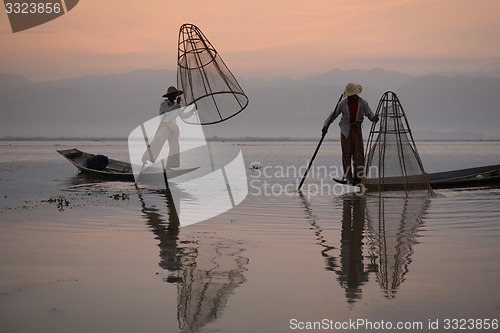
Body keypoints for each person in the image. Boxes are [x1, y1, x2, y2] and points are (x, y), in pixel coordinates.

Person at [322, 83, 379, 185]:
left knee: (359, 154)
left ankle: (358, 177)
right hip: (346, 130)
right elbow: (334, 114)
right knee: (347, 153)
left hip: (356, 130)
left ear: (356, 94)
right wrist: (326, 125)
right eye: (350, 96)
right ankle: (348, 177)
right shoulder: (342, 104)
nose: (352, 97)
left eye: (353, 95)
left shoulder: (363, 103)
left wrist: (374, 119)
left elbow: (370, 114)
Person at [142, 86, 194, 168]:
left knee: (175, 146)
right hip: (165, 125)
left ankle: (170, 165)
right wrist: (177, 104)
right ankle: (146, 157)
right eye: (173, 95)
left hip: (173, 127)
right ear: (169, 96)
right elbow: (168, 113)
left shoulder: (176, 105)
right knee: (157, 141)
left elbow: (183, 115)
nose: (175, 96)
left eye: (175, 95)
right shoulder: (164, 103)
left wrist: (192, 111)